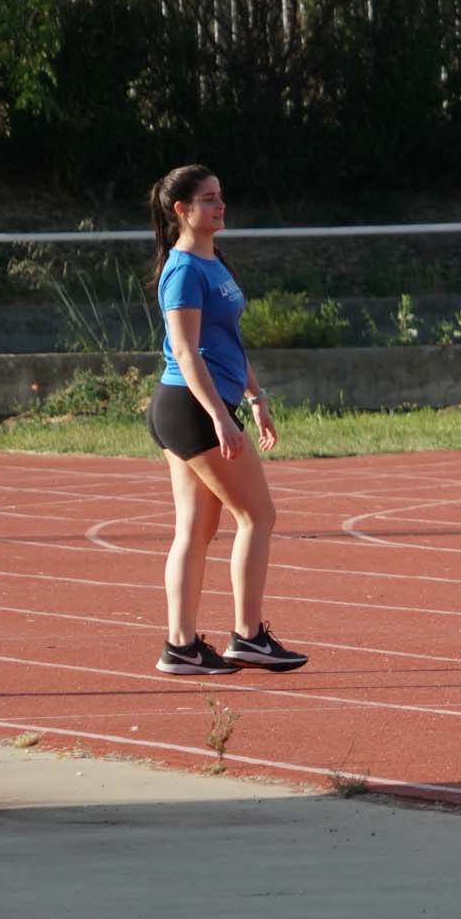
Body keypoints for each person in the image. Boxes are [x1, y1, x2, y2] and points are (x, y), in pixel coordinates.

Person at [145, 164, 308, 676]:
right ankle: (249, 635)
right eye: (208, 199)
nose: (220, 206)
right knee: (257, 516)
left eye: (221, 196)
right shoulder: (184, 271)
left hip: (199, 406)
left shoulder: (213, 261)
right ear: (182, 210)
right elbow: (187, 353)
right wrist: (220, 415)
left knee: (195, 530)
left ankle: (182, 647)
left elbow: (227, 346)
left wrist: (256, 397)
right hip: (191, 407)